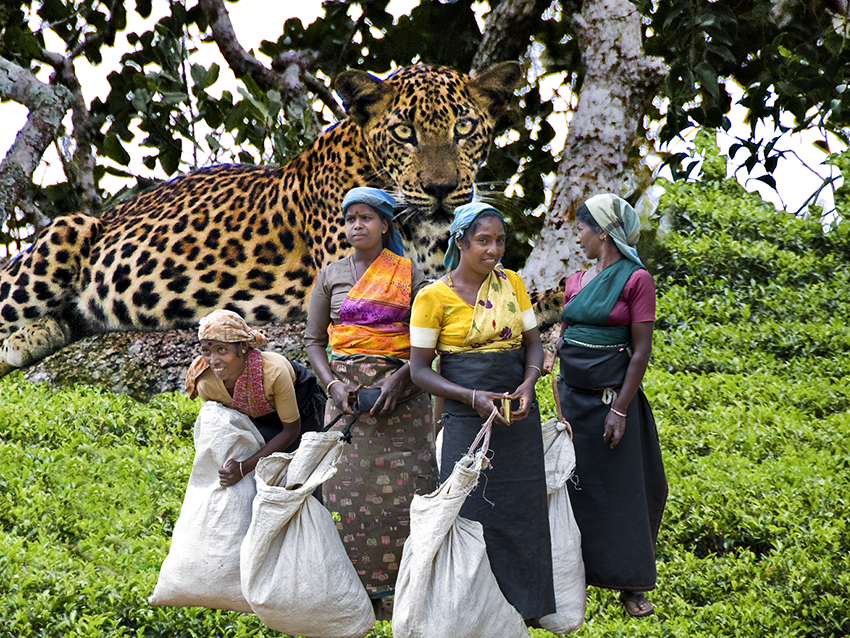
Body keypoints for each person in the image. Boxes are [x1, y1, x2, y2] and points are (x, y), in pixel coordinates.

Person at [408, 202, 556, 625]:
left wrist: (528, 383)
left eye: (500, 241)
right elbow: (420, 371)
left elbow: (532, 344)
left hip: (517, 416)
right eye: (483, 241)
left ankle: (523, 610)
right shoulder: (433, 298)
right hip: (466, 417)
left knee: (522, 512)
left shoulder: (511, 284)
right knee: (469, 511)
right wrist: (471, 397)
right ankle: (470, 611)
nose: (493, 250)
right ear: (460, 242)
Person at [305, 187, 438, 618]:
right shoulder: (330, 276)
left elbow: (430, 341)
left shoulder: (411, 275)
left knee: (408, 494)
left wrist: (399, 380)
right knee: (343, 493)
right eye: (350, 219)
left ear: (385, 224)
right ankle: (356, 593)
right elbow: (313, 342)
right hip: (347, 405)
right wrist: (333, 387)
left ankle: (408, 589)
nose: (356, 226)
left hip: (402, 403)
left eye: (365, 218)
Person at [544, 193, 667, 618]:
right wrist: (551, 356)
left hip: (612, 404)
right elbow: (566, 329)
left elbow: (640, 351)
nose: (577, 237)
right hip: (573, 402)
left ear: (603, 232)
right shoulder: (576, 281)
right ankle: (568, 579)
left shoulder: (637, 280)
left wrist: (619, 410)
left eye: (581, 229)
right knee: (575, 491)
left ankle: (630, 585)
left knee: (623, 493)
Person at [185, 308, 317, 487]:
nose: (214, 360)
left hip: (303, 413)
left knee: (300, 480)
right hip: (257, 419)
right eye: (207, 351)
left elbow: (291, 430)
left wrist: (243, 467)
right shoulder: (207, 384)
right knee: (259, 485)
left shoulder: (273, 373)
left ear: (244, 347)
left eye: (222, 350)